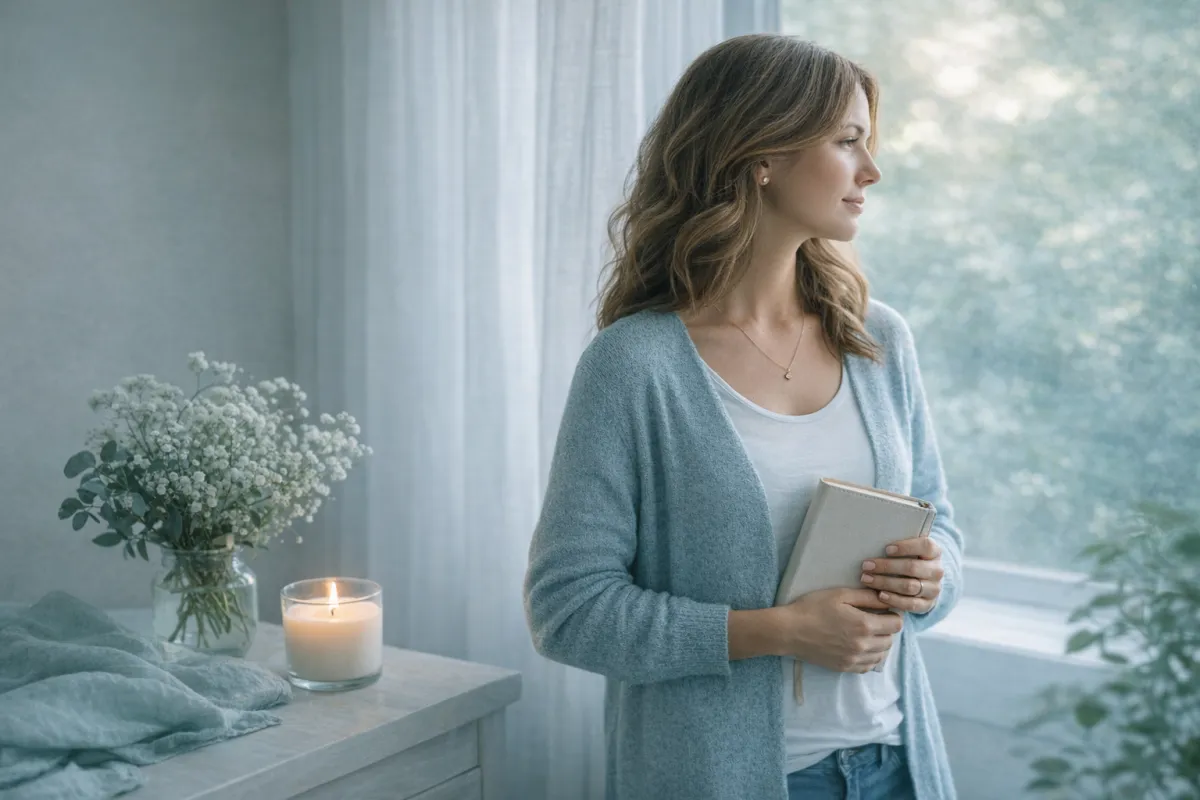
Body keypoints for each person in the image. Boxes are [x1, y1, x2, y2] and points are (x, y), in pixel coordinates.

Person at [524, 34, 963, 800]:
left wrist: (932, 576)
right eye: (847, 141)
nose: (872, 171)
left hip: (894, 765)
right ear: (763, 155)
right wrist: (779, 631)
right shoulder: (636, 366)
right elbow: (569, 610)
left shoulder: (876, 340)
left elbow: (945, 530)